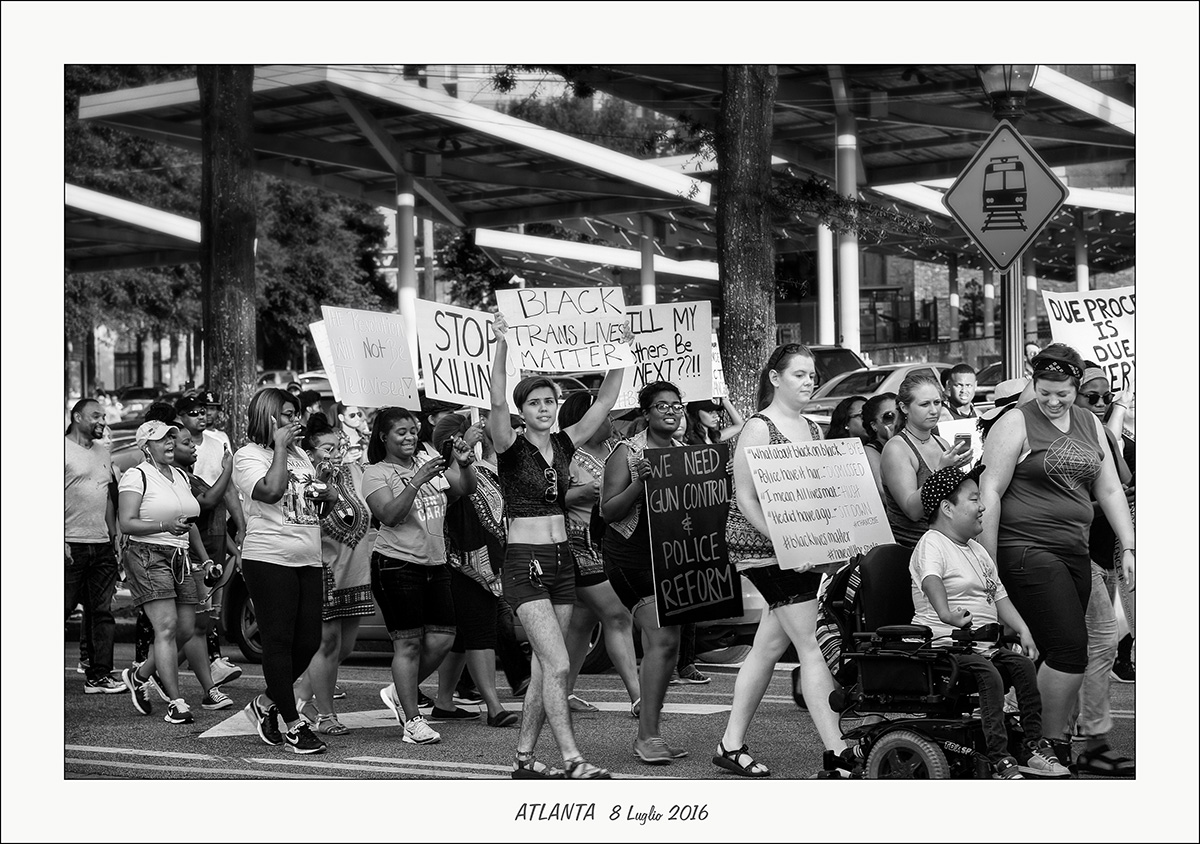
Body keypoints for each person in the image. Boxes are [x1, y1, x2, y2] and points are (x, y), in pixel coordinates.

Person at [979, 344, 1135, 768]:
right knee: (1071, 648)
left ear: (1076, 387)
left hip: (1076, 552)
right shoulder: (1015, 421)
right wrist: (987, 564)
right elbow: (990, 491)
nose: (1051, 401)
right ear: (1034, 383)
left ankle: (1032, 736)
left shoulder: (1088, 422)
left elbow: (1107, 489)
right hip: (1025, 548)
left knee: (1052, 652)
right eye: (1043, 390)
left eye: (1061, 393)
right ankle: (1043, 745)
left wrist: (1130, 544)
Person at [487, 313, 629, 780]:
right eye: (535, 403)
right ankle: (572, 759)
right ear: (522, 410)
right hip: (523, 563)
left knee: (545, 665)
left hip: (562, 560)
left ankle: (523, 760)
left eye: (550, 401)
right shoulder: (509, 445)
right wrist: (503, 343)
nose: (545, 408)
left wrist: (621, 353)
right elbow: (497, 391)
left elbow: (605, 401)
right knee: (560, 663)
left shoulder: (566, 444)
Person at [713, 343, 853, 778]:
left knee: (769, 646)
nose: (809, 381)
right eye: (799, 374)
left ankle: (730, 744)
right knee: (811, 644)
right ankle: (838, 754)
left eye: (812, 374)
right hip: (763, 551)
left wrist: (830, 538)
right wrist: (786, 540)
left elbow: (816, 493)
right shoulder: (758, 428)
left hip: (803, 551)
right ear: (775, 379)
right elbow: (745, 497)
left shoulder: (813, 430)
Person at [910, 465, 1070, 779]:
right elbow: (931, 580)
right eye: (974, 499)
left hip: (980, 645)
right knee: (989, 675)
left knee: (1022, 667)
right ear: (947, 508)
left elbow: (999, 596)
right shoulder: (932, 543)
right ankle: (999, 755)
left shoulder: (978, 550)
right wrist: (946, 614)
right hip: (944, 646)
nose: (982, 506)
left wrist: (1023, 628)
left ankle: (1032, 745)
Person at [363, 406, 477, 745]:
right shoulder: (376, 472)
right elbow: (390, 515)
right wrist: (415, 481)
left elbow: (464, 491)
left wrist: (466, 464)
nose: (411, 436)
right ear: (384, 437)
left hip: (435, 562)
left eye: (413, 430)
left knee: (444, 638)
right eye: (402, 432)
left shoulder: (426, 459)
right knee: (408, 643)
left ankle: (401, 691)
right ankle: (413, 722)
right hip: (396, 564)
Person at [234, 388, 338, 754]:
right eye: (285, 414)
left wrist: (329, 497)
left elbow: (310, 510)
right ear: (267, 416)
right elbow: (271, 491)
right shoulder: (247, 455)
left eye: (295, 413)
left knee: (309, 641)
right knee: (278, 642)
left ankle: (265, 703)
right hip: (269, 558)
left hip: (307, 557)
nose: (294, 420)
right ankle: (293, 724)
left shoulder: (301, 457)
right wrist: (279, 448)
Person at [602, 381, 692, 764]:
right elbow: (609, 510)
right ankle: (647, 736)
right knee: (663, 637)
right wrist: (641, 482)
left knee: (668, 644)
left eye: (676, 405)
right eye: (661, 406)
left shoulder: (686, 454)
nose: (670, 412)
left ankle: (650, 733)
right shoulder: (627, 452)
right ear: (646, 413)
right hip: (630, 558)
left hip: (670, 560)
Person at [428, 413, 521, 728]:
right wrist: (464, 449)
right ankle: (494, 707)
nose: (480, 432)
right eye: (472, 430)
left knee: (459, 638)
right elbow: (461, 491)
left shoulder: (486, 468)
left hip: (492, 562)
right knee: (481, 632)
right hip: (463, 563)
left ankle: (443, 701)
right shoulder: (443, 474)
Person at [116, 421, 212, 724]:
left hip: (180, 555)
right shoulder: (136, 475)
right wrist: (164, 526)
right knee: (167, 628)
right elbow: (127, 522)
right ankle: (176, 700)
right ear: (146, 445)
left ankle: (140, 674)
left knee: (185, 629)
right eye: (162, 439)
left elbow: (189, 522)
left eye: (172, 437)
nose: (170, 443)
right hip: (148, 553)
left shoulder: (181, 475)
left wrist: (206, 559)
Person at [553, 391, 643, 712]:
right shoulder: (564, 453)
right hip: (575, 543)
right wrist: (582, 493)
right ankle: (638, 696)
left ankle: (561, 693)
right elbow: (544, 498)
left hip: (605, 543)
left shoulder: (615, 450)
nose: (611, 421)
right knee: (617, 615)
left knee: (583, 620)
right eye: (605, 416)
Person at [1068, 365, 1136, 776]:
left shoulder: (1101, 432)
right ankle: (1081, 740)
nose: (1098, 403)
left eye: (1104, 396)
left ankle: (1072, 738)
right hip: (1072, 553)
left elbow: (1121, 482)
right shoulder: (1053, 436)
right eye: (1089, 396)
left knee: (1091, 646)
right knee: (1099, 642)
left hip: (1103, 550)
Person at [292, 415, 378, 736]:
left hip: (355, 570)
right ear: (309, 451)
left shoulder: (353, 472)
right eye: (327, 448)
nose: (335, 452)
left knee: (344, 647)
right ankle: (326, 715)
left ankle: (301, 695)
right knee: (326, 644)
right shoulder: (305, 481)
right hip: (325, 567)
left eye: (338, 445)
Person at [175, 393, 244, 686]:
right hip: (190, 533)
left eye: (204, 411)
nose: (201, 417)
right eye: (193, 412)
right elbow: (206, 500)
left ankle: (205, 665)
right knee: (192, 616)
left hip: (215, 533)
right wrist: (228, 468)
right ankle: (150, 669)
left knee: (208, 613)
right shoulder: (180, 471)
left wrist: (239, 529)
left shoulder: (217, 445)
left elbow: (226, 494)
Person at [65, 398, 125, 694]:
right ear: (77, 417)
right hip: (70, 544)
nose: (102, 421)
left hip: (101, 545)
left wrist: (114, 537)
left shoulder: (104, 452)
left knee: (101, 612)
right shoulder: (61, 450)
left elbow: (108, 497)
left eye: (104, 416)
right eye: (96, 416)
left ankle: (99, 676)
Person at [880, 373, 972, 550]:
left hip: (948, 544)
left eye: (937, 402)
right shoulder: (897, 449)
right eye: (924, 404)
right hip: (914, 548)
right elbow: (912, 511)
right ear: (904, 408)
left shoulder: (941, 442)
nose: (933, 410)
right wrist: (941, 472)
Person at [860, 392, 897, 501]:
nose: (897, 421)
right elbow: (883, 493)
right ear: (874, 425)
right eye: (889, 416)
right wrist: (893, 446)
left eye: (901, 413)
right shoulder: (869, 451)